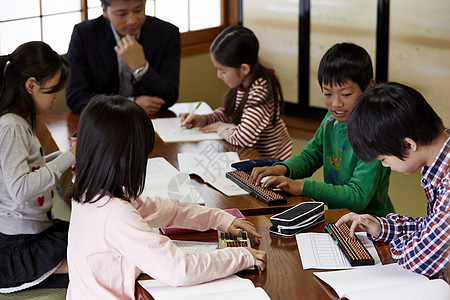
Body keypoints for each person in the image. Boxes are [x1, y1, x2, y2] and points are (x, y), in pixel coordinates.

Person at [66, 95, 267, 299]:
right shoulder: (116, 213)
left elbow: (166, 210)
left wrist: (219, 219)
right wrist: (242, 256)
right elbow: (179, 270)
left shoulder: (89, 194)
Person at [251, 43, 394, 217]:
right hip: (340, 217)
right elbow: (311, 156)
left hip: (371, 224)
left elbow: (358, 196)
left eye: (346, 94)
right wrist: (284, 168)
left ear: (369, 87)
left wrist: (303, 187)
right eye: (327, 94)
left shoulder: (374, 133)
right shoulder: (331, 119)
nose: (336, 103)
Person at [336, 82, 449, 280]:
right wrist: (382, 227)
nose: (385, 165)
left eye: (383, 159)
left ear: (408, 144)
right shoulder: (438, 165)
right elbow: (433, 228)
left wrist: (398, 244)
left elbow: (422, 258)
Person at [0, 41, 76, 292]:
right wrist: (71, 156)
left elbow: (33, 168)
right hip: (19, 243)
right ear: (31, 85)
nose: (56, 97)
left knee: (87, 239)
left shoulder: (19, 121)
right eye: (53, 90)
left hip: (35, 229)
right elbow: (20, 189)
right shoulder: (11, 126)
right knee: (90, 261)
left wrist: (68, 156)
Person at [181, 25, 292, 160]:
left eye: (223, 71)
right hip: (253, 156)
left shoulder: (260, 92)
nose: (219, 75)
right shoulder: (244, 82)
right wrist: (205, 119)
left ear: (244, 68)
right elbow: (231, 113)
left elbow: (243, 137)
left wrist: (220, 127)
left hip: (273, 163)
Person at [65, 0, 180, 115]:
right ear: (105, 10)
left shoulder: (167, 33)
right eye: (121, 13)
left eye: (138, 10)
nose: (132, 21)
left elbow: (169, 96)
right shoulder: (84, 35)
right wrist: (130, 105)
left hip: (150, 121)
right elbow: (75, 97)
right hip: (103, 122)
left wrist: (141, 68)